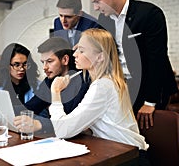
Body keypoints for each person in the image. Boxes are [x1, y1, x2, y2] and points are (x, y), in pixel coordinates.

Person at [15, 28, 148, 153]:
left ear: (100, 57)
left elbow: (63, 130)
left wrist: (55, 92)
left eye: (82, 51)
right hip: (117, 149)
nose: (75, 54)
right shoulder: (109, 81)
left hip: (127, 154)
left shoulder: (102, 86)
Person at [84, 0, 178, 129]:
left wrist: (150, 101)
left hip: (150, 86)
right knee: (123, 133)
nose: (96, 7)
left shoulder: (149, 14)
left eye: (97, 1)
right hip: (122, 85)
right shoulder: (104, 19)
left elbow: (157, 58)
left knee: (149, 135)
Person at [24, 37, 90, 117]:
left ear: (65, 59)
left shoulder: (83, 81)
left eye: (49, 61)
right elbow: (31, 106)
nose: (44, 67)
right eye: (43, 62)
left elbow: (70, 119)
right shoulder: (50, 80)